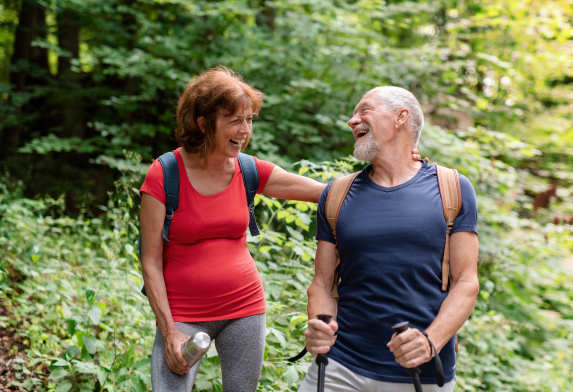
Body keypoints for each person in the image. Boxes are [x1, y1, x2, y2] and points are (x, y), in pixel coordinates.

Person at [139, 67, 425, 392]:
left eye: (249, 120)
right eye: (235, 120)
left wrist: (401, 172)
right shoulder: (164, 174)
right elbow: (150, 262)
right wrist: (169, 330)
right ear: (203, 123)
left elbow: (326, 191)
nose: (245, 130)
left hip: (244, 308)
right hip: (182, 316)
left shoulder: (248, 169)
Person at [299, 86, 479, 392]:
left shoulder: (452, 187)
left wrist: (430, 341)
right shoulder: (337, 194)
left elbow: (466, 281)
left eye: (364, 110)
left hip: (420, 371)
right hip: (341, 365)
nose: (352, 121)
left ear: (401, 117)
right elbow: (321, 282)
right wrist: (319, 324)